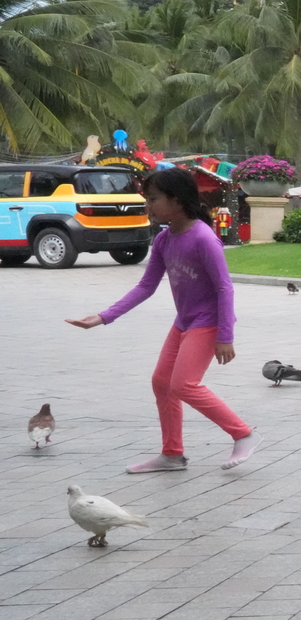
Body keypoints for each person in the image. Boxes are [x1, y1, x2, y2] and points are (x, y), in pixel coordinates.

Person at [68, 168, 255, 473]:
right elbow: (146, 286)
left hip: (209, 322)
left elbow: (224, 288)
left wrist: (225, 336)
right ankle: (172, 455)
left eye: (153, 199)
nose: (148, 205)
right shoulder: (164, 240)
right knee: (162, 383)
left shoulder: (203, 238)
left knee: (184, 385)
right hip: (184, 322)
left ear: (177, 201)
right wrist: (103, 316)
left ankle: (243, 434)